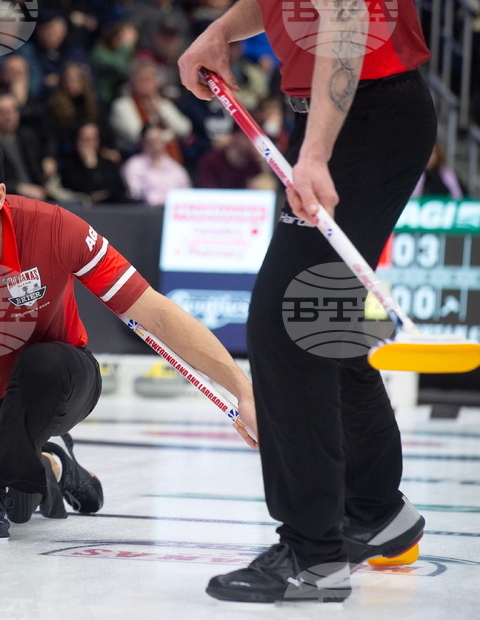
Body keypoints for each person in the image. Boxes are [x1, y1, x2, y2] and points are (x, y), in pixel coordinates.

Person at [0, 130, 257, 539]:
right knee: (19, 504)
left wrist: (243, 390)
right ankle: (60, 464)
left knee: (42, 369)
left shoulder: (53, 229)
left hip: (58, 380)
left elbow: (156, 313)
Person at [179, 0, 435, 603]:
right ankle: (375, 512)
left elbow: (346, 18)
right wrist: (221, 30)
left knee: (288, 324)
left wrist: (315, 153)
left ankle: (312, 555)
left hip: (361, 116)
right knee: (321, 323)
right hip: (343, 113)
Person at [121, 125, 191, 207]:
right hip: (145, 214)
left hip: (172, 213)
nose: (155, 145)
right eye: (152, 141)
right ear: (143, 142)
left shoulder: (176, 168)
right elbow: (135, 195)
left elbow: (186, 195)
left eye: (158, 140)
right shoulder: (133, 165)